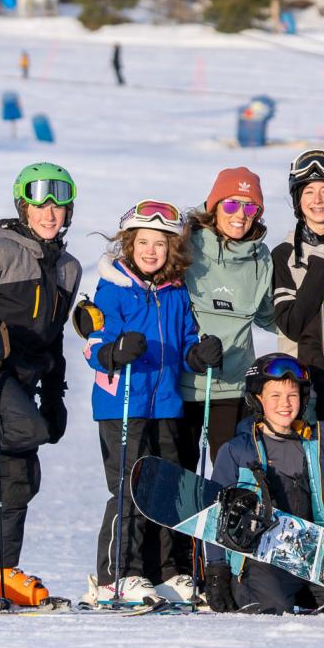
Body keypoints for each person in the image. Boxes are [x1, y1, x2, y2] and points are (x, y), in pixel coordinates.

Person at [0, 162, 82, 606]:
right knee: (28, 432)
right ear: (23, 207)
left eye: (58, 206)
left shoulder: (68, 268)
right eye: (39, 204)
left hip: (29, 378)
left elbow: (57, 333)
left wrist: (56, 394)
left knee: (20, 476)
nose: (49, 214)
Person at [81, 201, 220, 606]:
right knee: (129, 489)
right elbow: (93, 342)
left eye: (160, 244)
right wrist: (114, 351)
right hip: (122, 403)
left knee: (167, 490)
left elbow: (188, 338)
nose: (151, 251)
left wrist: (199, 353)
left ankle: (166, 572)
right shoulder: (113, 287)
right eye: (143, 242)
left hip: (166, 404)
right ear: (128, 244)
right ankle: (118, 574)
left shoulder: (175, 291)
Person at [202, 354, 324, 615]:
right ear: (257, 399)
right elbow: (215, 513)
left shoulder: (314, 446)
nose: (285, 404)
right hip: (260, 559)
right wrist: (217, 571)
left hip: (310, 553)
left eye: (292, 395)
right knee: (273, 608)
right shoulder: (237, 450)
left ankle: (306, 592)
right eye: (275, 396)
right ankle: (256, 591)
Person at [179, 168, 273, 466]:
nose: (240, 214)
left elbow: (271, 317)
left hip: (233, 386)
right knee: (181, 473)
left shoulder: (260, 257)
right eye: (231, 204)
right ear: (213, 208)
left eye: (250, 207)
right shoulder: (185, 247)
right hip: (183, 382)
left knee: (232, 473)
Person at [272, 150, 324, 436]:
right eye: (308, 192)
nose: (317, 200)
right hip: (304, 383)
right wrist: (320, 266)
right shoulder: (284, 253)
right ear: (298, 200)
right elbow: (291, 325)